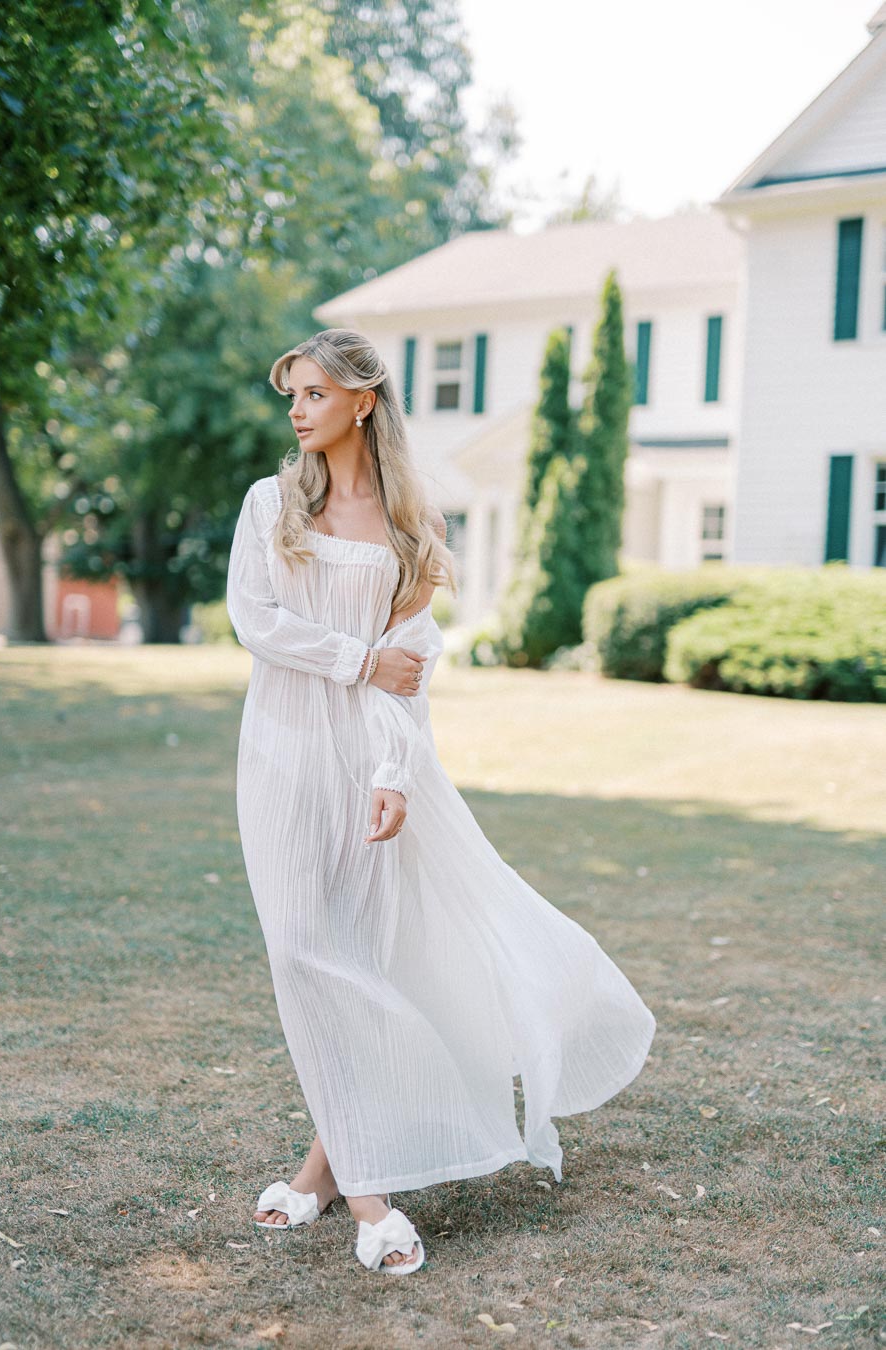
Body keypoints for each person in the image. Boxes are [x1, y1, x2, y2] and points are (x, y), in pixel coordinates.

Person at [226, 327, 656, 1277]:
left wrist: (391, 775)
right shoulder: (268, 504)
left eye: (314, 394)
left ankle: (321, 1178)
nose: (297, 411)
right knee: (305, 955)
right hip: (283, 756)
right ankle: (368, 1196)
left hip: (374, 764)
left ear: (363, 402)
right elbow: (256, 621)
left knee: (367, 954)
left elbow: (409, 676)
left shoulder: (415, 525)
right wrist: (355, 658)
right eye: (290, 394)